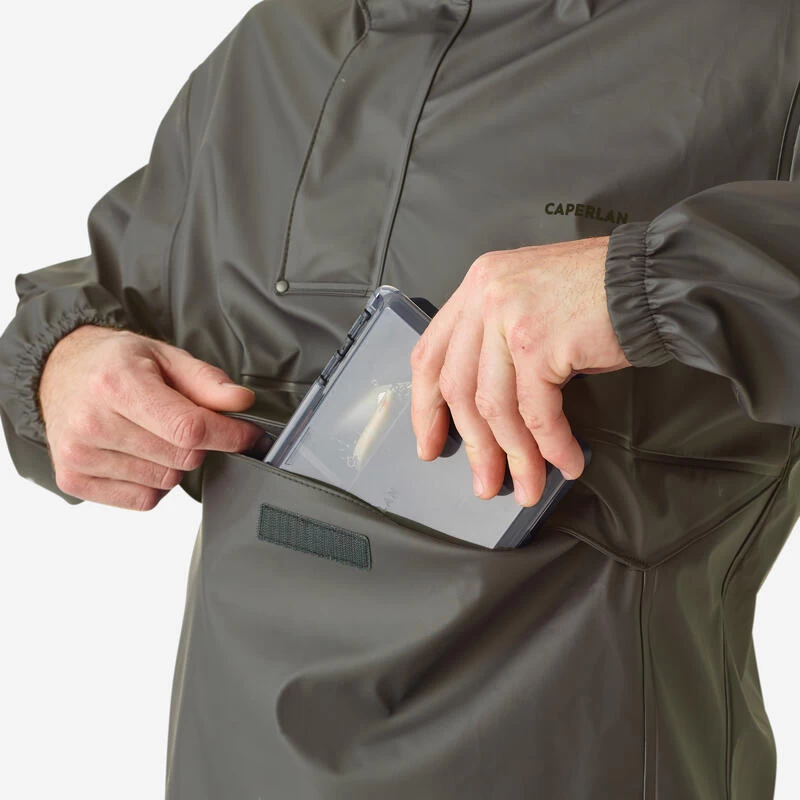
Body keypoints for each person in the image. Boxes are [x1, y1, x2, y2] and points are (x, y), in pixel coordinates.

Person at [2, 1, 799, 797]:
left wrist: (638, 283)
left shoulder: (764, 44)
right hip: (232, 764)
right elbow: (100, 295)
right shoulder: (280, 42)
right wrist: (60, 368)